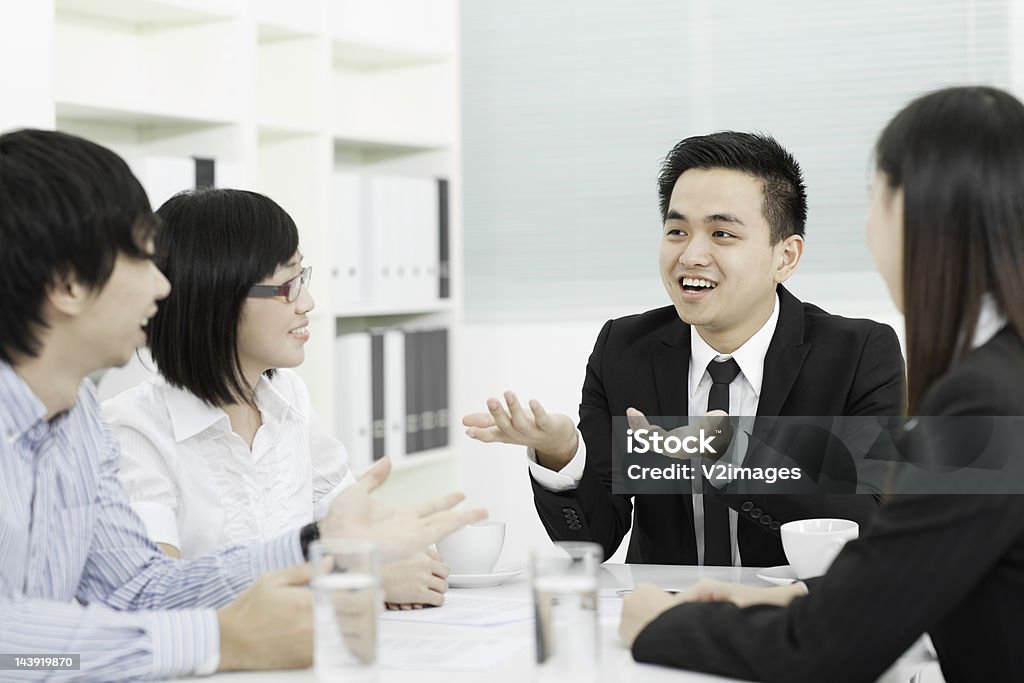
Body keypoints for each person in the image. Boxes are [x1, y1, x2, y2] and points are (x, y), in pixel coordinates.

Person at [0, 128, 485, 679]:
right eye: (139, 260)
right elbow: (12, 653)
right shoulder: (122, 422)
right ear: (67, 285)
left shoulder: (78, 420)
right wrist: (217, 640)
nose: (163, 289)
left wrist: (322, 545)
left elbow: (137, 590)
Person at [618, 85, 1024, 682]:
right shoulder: (1004, 374)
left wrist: (660, 625)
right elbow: (920, 572)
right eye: (677, 230)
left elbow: (830, 648)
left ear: (923, 214)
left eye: (875, 200)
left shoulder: (979, 398)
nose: (868, 229)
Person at [464, 132, 904, 567]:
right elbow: (594, 538)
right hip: (662, 614)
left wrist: (736, 455)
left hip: (793, 615)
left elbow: (875, 522)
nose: (692, 255)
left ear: (784, 257)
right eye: (677, 230)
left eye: (722, 233)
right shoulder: (623, 349)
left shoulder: (859, 353)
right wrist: (561, 453)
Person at [103, 188, 449, 609]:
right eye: (287, 285)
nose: (308, 302)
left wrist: (396, 553)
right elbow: (158, 598)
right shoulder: (133, 428)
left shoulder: (288, 398)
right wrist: (360, 579)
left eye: (303, 278)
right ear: (217, 297)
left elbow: (350, 528)